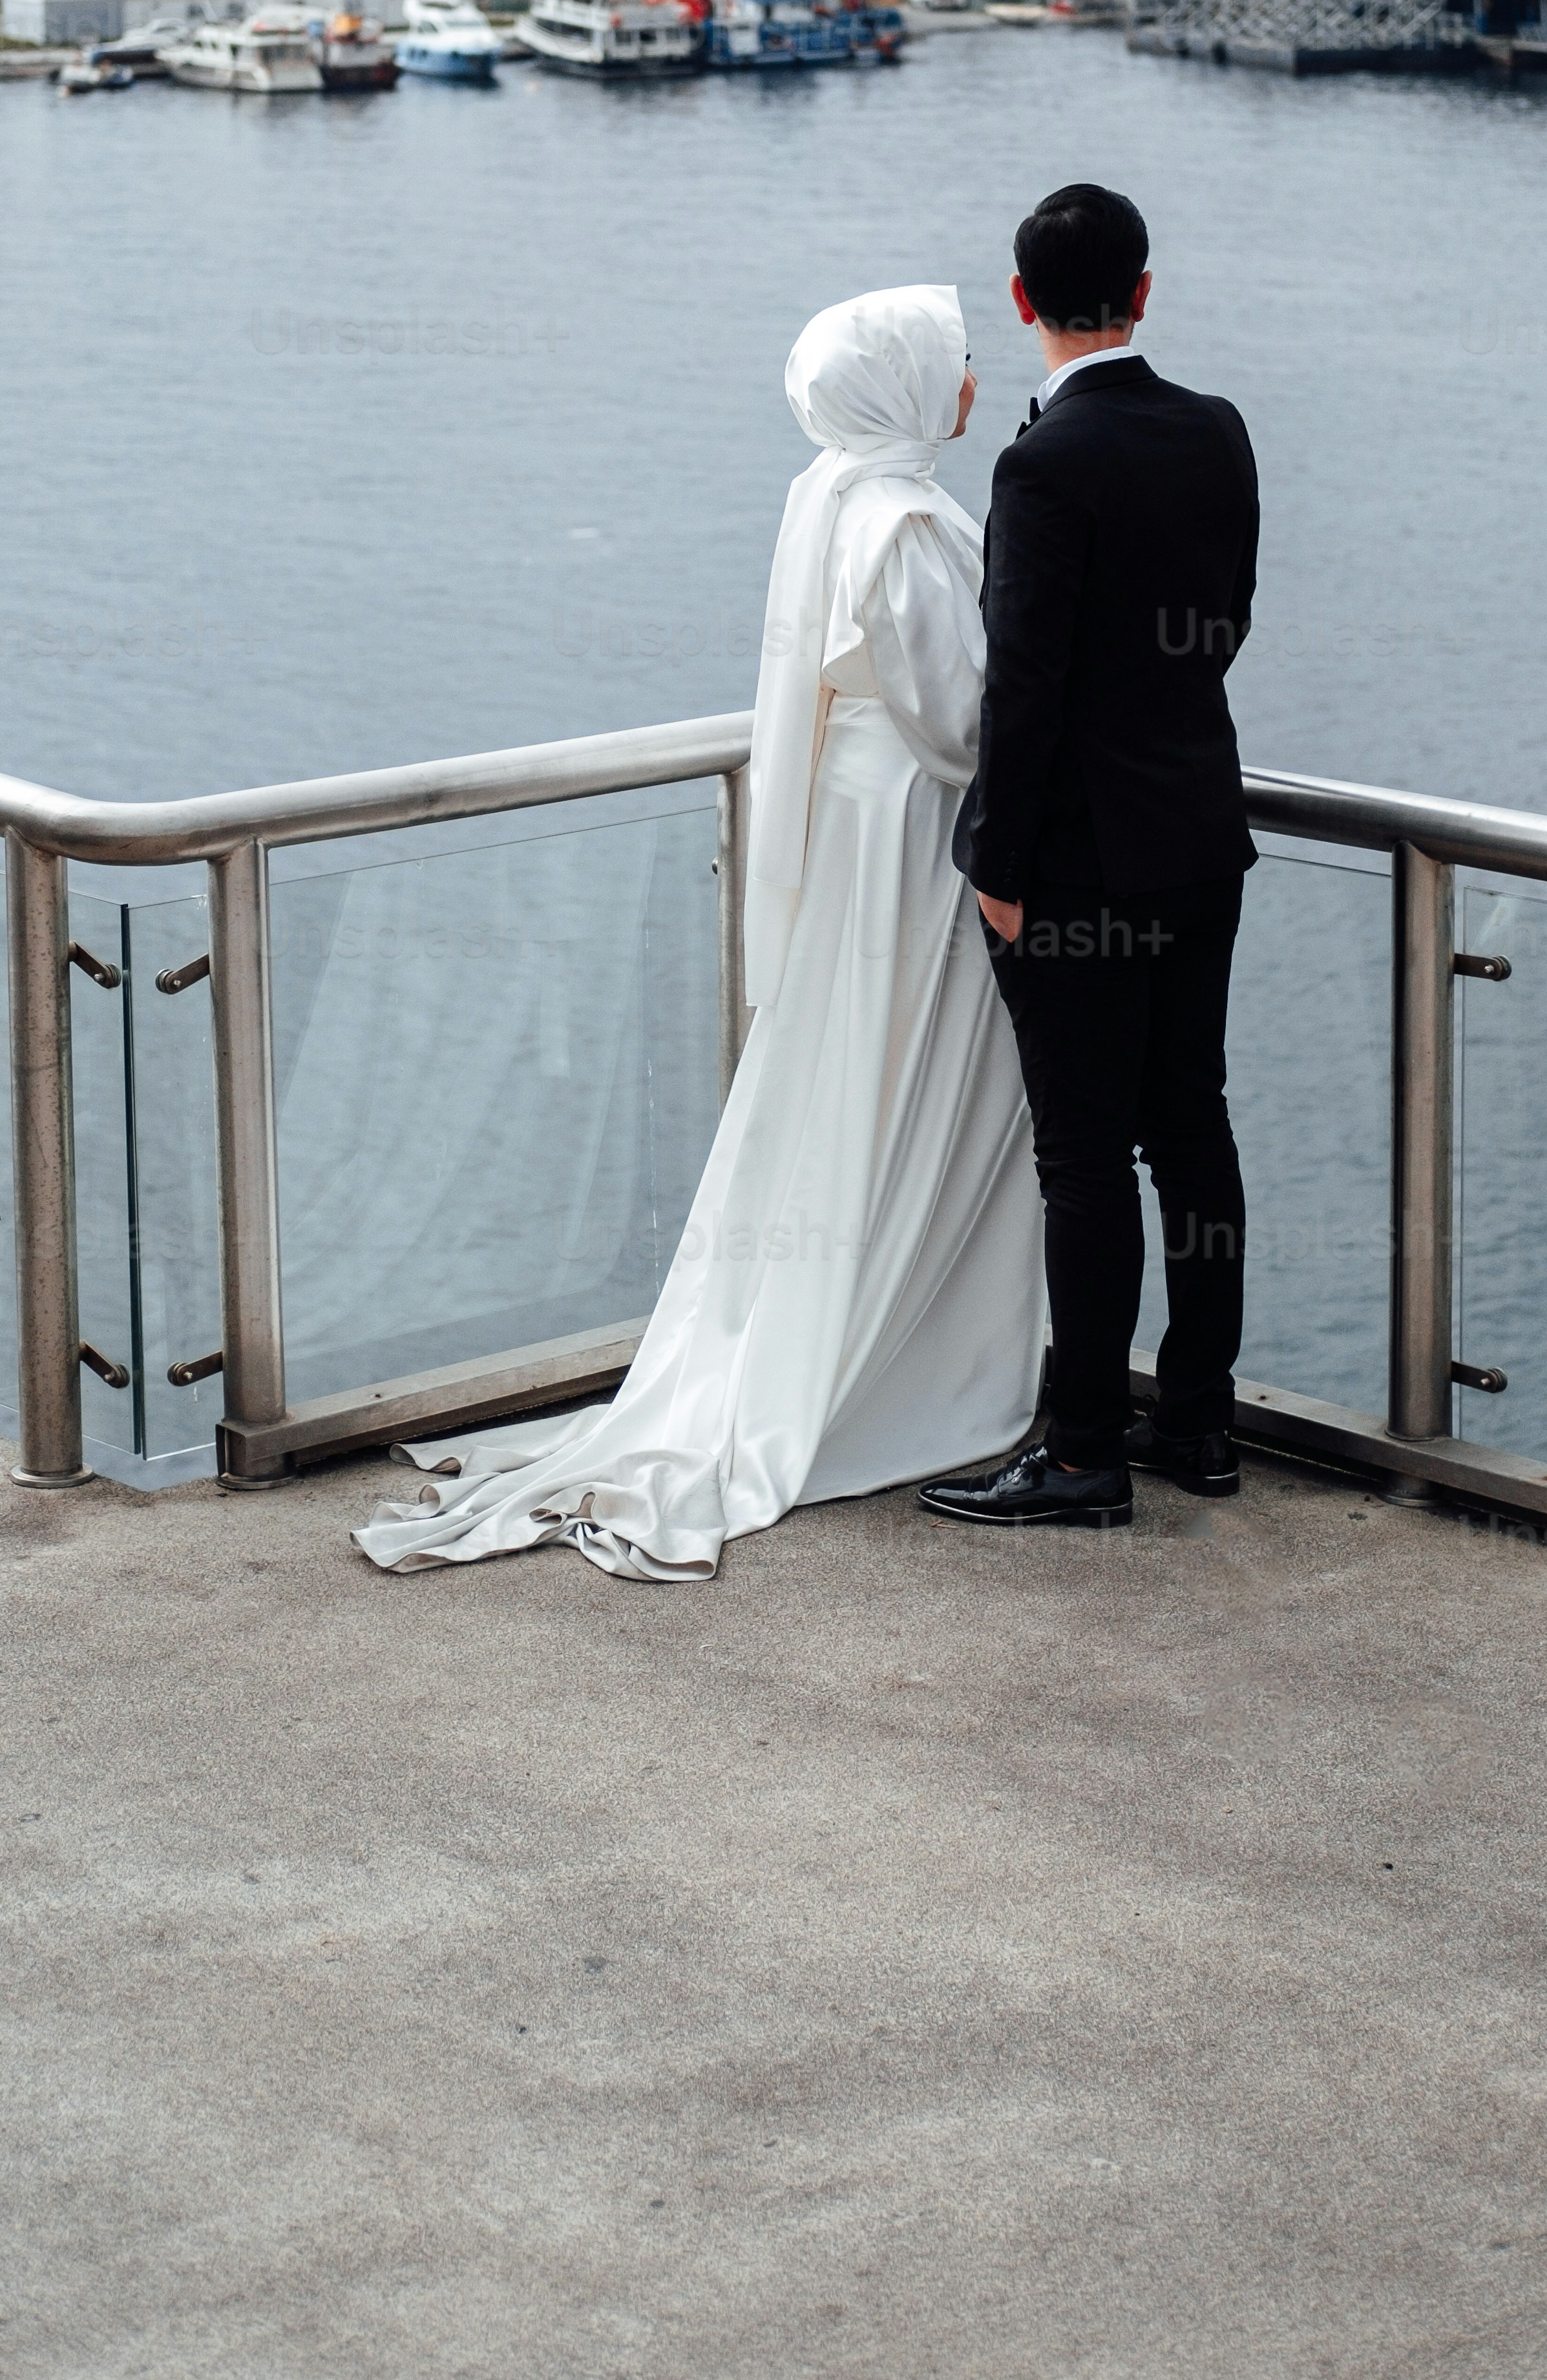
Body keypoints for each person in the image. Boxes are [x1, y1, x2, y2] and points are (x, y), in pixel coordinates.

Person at [352, 283, 1042, 1583]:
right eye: (951, 362)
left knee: (854, 1076)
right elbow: (955, 717)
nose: (965, 381)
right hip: (909, 824)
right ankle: (917, 1361)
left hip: (858, 819)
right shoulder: (897, 521)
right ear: (903, 385)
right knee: (916, 1074)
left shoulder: (831, 494)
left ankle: (857, 1330)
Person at [923, 182, 1261, 1533]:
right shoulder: (1216, 429)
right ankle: (1199, 1419)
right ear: (1144, 289)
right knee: (1192, 1124)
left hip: (1077, 864)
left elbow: (1025, 689)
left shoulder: (1041, 464)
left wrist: (998, 860)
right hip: (1199, 833)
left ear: (1020, 302)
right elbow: (1221, 622)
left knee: (1081, 1156)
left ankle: (1079, 1450)